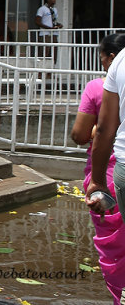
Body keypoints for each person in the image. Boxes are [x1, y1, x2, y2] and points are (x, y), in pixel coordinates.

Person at [72, 33, 125, 304]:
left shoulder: (97, 87)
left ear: (111, 58)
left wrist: (100, 130)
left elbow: (81, 134)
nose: (101, 62)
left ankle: (120, 295)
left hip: (110, 171)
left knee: (115, 246)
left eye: (102, 57)